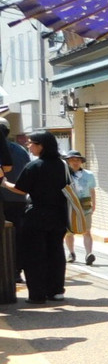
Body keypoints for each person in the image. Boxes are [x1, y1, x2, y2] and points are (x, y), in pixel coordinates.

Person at [0, 130, 68, 303]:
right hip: (59, 215)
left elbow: (21, 189)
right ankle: (56, 291)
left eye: (31, 143)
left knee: (35, 255)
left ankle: (37, 295)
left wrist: (4, 183)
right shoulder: (62, 165)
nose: (28, 146)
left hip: (37, 215)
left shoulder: (34, 166)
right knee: (56, 253)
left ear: (41, 146)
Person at [0, 119, 31, 280]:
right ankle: (17, 271)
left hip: (3, 200)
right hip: (19, 199)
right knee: (18, 236)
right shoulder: (21, 150)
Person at [63, 150, 96, 264]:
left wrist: (93, 205)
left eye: (77, 160)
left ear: (81, 161)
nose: (75, 162)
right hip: (70, 205)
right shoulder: (64, 175)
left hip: (85, 204)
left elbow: (92, 190)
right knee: (69, 232)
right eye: (72, 160)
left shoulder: (89, 175)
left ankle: (89, 254)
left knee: (87, 230)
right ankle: (71, 253)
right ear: (68, 162)